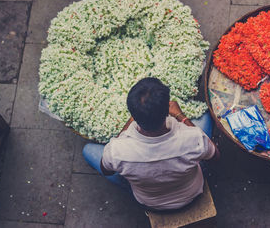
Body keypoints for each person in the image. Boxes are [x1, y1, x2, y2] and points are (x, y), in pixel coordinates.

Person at [82, 77, 220, 211]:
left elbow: (107, 171)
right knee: (206, 116)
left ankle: (132, 184)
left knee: (88, 150)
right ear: (168, 109)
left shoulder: (116, 150)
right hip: (191, 193)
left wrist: (132, 120)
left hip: (149, 201)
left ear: (133, 115)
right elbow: (215, 157)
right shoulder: (193, 138)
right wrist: (180, 115)